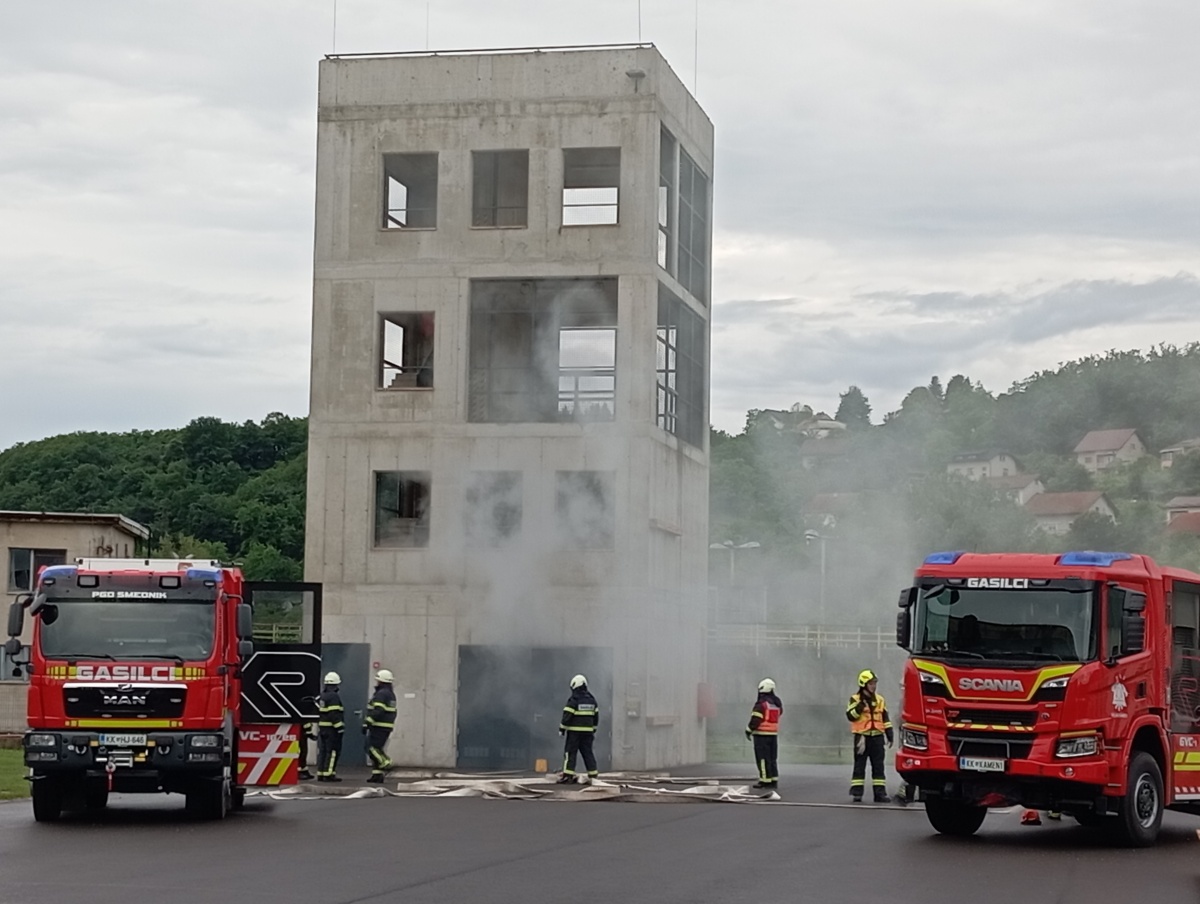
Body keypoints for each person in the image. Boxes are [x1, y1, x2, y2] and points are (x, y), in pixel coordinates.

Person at [847, 669, 893, 803]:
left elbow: (885, 718)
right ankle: (857, 793)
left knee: (878, 766)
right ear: (864, 684)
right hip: (862, 738)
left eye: (874, 683)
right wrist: (860, 706)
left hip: (877, 737)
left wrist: (889, 734)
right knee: (859, 765)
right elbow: (850, 716)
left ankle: (879, 794)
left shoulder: (880, 700)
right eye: (871, 683)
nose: (874, 686)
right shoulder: (854, 699)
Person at [557, 674, 600, 784]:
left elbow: (567, 716)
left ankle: (568, 775)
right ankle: (593, 775)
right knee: (588, 753)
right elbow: (596, 717)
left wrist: (562, 729)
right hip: (588, 733)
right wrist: (593, 729)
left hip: (574, 732)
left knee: (570, 753)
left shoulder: (574, 700)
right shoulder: (592, 700)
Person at [745, 678, 782, 789]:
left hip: (761, 735)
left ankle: (764, 780)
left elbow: (755, 720)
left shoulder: (761, 704)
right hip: (773, 735)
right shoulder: (776, 703)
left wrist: (748, 730)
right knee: (772, 758)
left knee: (762, 759)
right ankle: (773, 779)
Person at [364, 668, 397, 784]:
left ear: (381, 681)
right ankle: (377, 775)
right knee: (377, 749)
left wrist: (367, 722)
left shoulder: (381, 694)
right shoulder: (390, 694)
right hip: (385, 726)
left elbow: (378, 710)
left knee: (371, 748)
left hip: (378, 726)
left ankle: (386, 762)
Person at [316, 671, 345, 783]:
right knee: (332, 752)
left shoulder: (322, 696)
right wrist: (339, 727)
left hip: (323, 729)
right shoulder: (333, 696)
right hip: (332, 730)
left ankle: (321, 773)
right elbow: (334, 714)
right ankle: (329, 774)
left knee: (323, 751)